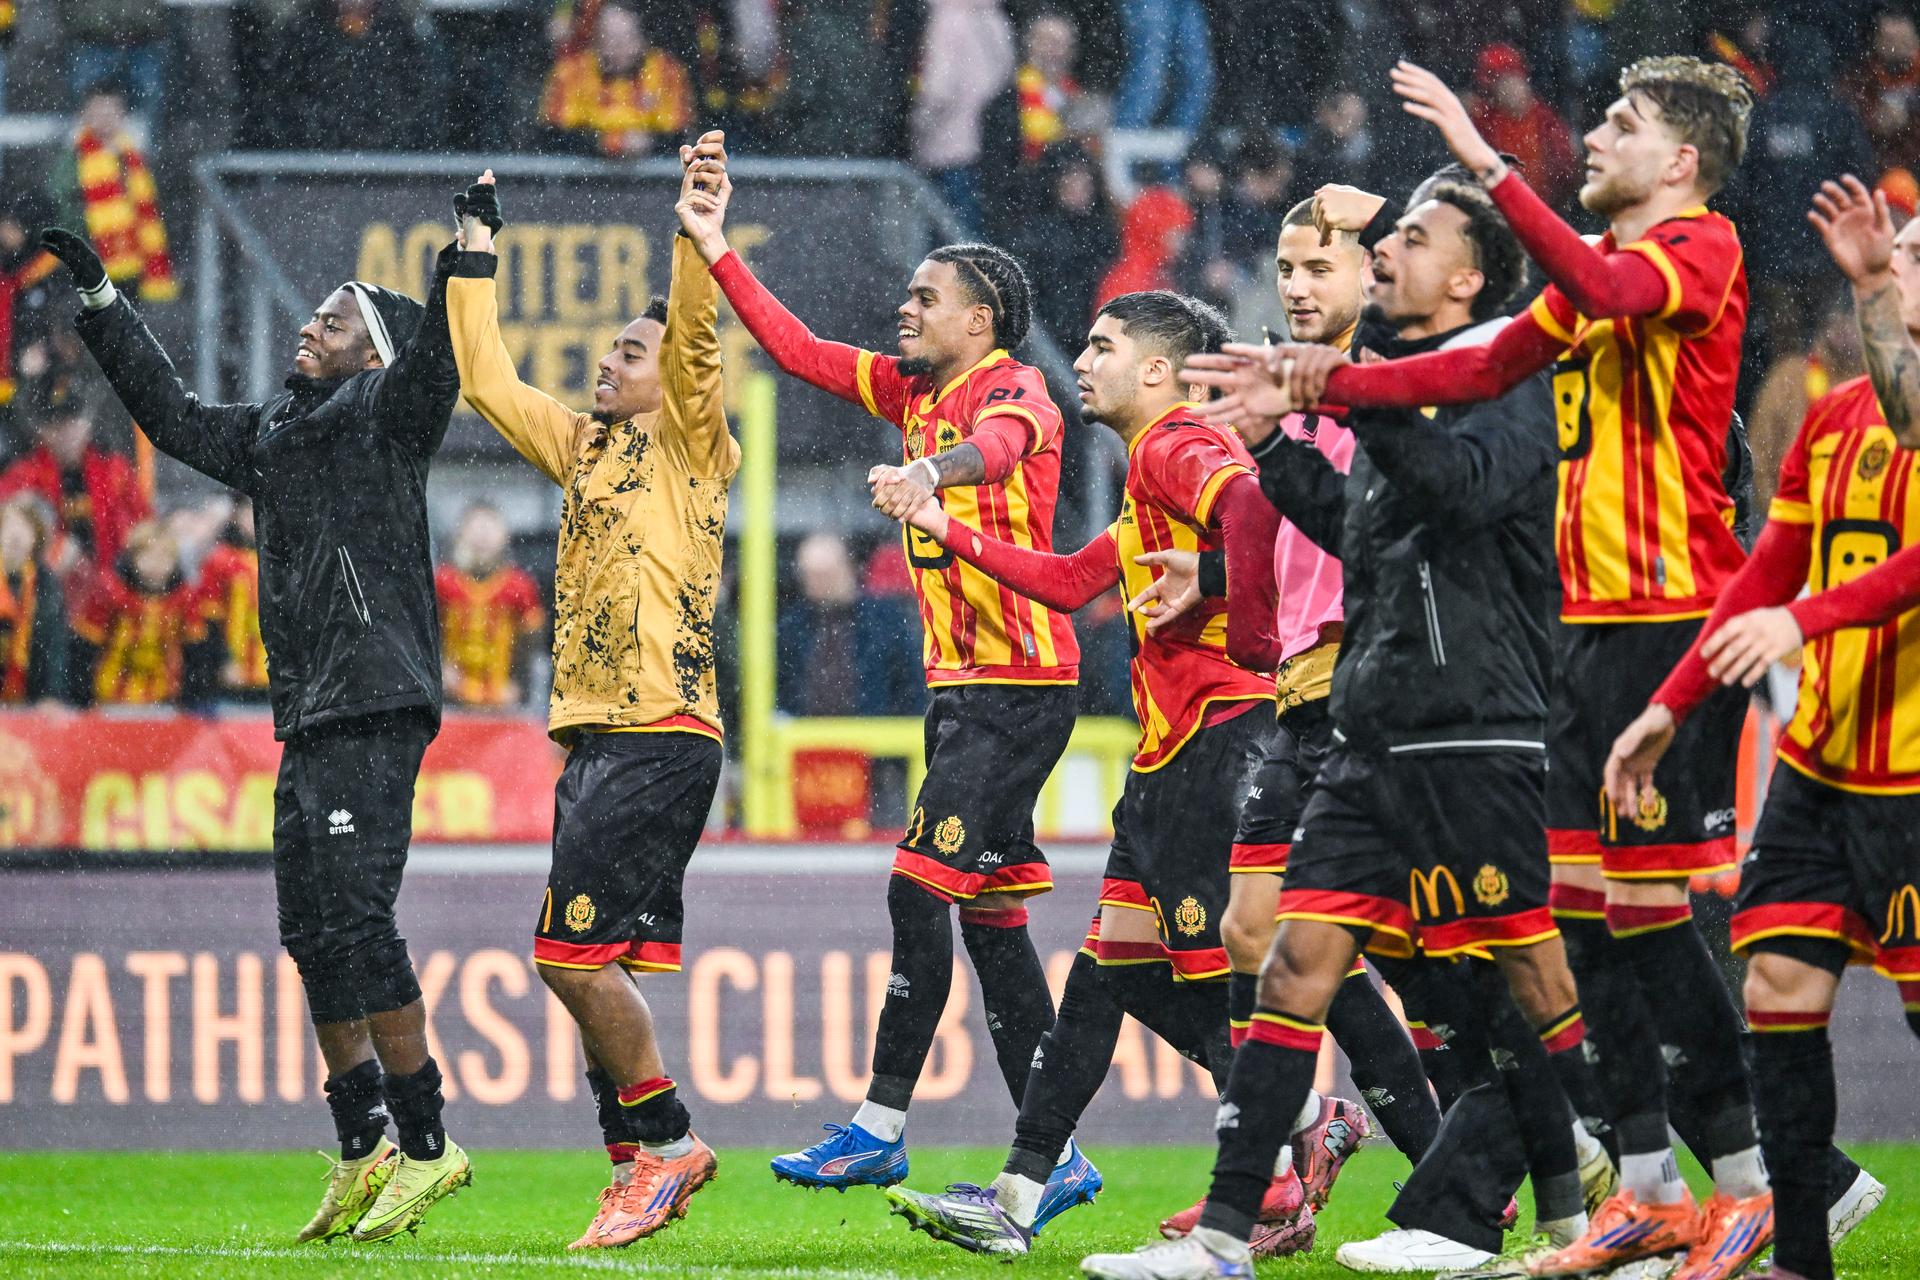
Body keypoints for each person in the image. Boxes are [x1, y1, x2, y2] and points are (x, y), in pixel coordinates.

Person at [1266, 56, 1788, 1278]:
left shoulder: (1694, 250)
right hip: (1580, 624)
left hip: (1669, 615)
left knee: (1654, 919)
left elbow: (1597, 279)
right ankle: (1653, 1193)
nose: (1597, 136)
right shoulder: (1585, 288)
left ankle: (1761, 1182)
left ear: (1682, 163)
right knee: (1586, 921)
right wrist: (1329, 384)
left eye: (1624, 123)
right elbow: (1475, 367)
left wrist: (1488, 156)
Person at [39, 202, 468, 1241]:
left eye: (332, 320)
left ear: (375, 351)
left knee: (359, 922)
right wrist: (103, 304)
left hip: (373, 696)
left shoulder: (386, 413)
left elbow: (440, 365)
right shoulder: (275, 431)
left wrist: (466, 259)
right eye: (312, 317)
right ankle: (364, 1143)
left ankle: (428, 1142)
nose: (309, 328)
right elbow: (174, 416)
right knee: (312, 933)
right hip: (312, 708)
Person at [688, 142, 1087, 1203]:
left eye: (928, 296)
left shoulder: (1019, 388)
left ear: (981, 319)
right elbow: (802, 349)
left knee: (918, 887)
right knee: (995, 926)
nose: (906, 309)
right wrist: (716, 242)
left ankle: (880, 1121)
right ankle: (1060, 1152)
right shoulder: (912, 387)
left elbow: (996, 450)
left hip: (1017, 688)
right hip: (962, 693)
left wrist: (927, 475)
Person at [881, 289, 1280, 1257]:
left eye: (1102, 345)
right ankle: (1019, 1191)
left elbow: (1258, 512)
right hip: (1170, 749)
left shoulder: (1171, 443)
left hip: (1214, 740)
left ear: (1156, 369)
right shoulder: (1150, 471)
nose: (1084, 361)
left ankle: (1294, 1164)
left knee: (1239, 979)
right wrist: (950, 528)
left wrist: (1224, 592)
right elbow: (1069, 580)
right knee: (1107, 978)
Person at [1606, 173, 1915, 1280]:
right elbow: (1762, 576)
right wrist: (1666, 704)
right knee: (1778, 987)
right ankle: (1798, 1255)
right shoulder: (1833, 417)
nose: (1900, 277)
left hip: (1916, 776)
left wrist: (1800, 618)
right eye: (1901, 262)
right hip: (1823, 761)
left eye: (1915, 262)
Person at [446, 147, 736, 1248]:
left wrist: (694, 226)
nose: (606, 362)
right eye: (609, 347)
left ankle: (666, 1140)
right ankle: (632, 1167)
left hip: (661, 730)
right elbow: (487, 378)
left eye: (629, 350)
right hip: (602, 741)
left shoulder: (693, 445)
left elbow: (697, 339)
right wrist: (474, 251)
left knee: (567, 956)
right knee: (591, 960)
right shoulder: (583, 448)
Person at [0, 377, 146, 572]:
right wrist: (55, 550)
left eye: (72, 421)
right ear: (41, 431)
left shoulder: (116, 470)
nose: (65, 431)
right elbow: (8, 526)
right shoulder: (22, 475)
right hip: (46, 585)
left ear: (87, 424)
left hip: (114, 587)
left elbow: (145, 524)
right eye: (56, 424)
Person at [70, 517, 209, 705]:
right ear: (132, 558)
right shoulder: (111, 593)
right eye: (148, 556)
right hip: (108, 698)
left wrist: (189, 699)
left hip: (165, 699)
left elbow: (195, 653)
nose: (156, 565)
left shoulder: (184, 598)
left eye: (163, 557)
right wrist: (82, 698)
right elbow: (86, 646)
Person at [540, 1, 692, 158]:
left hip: (655, 179)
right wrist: (609, 142)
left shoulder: (667, 73)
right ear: (596, 40)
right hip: (583, 178)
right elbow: (554, 136)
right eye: (608, 37)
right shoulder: (570, 73)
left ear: (642, 40)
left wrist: (650, 142)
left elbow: (680, 133)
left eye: (626, 38)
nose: (617, 47)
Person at [435, 501, 543, 709]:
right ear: (460, 534)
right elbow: (425, 634)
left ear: (505, 536)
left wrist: (521, 685)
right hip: (450, 701)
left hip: (504, 702)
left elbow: (533, 645)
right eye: (475, 527)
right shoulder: (443, 582)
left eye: (490, 527)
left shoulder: (520, 587)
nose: (482, 536)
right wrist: (439, 669)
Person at [196, 495, 269, 702]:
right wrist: (223, 660)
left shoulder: (286, 559)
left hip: (277, 677)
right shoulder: (220, 560)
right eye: (251, 511)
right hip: (234, 675)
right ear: (236, 515)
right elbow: (209, 619)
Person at [0, 493, 69, 703]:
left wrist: (51, 695)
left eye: (27, 528)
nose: (16, 535)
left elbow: (53, 643)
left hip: (24, 699)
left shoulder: (45, 582)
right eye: (10, 525)